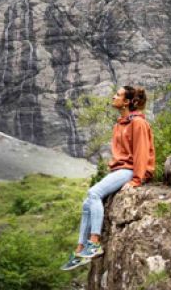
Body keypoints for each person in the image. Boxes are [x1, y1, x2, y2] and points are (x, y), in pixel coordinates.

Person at [63, 84, 155, 271]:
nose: (113, 97)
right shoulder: (119, 125)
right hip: (119, 170)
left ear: (127, 102)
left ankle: (94, 243)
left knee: (94, 192)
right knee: (87, 203)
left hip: (129, 170)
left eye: (118, 95)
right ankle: (80, 250)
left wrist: (137, 180)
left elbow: (141, 153)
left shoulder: (138, 123)